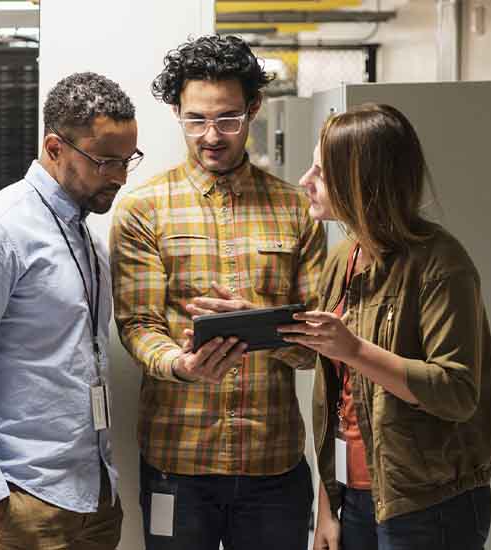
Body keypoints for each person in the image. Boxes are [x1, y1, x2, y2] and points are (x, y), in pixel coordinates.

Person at [109, 35, 327, 550]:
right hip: (177, 462)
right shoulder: (143, 208)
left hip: (272, 464)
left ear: (254, 108)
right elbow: (138, 324)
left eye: (228, 119)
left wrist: (269, 326)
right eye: (196, 120)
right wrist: (178, 364)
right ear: (176, 111)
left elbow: (321, 337)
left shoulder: (296, 208)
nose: (211, 136)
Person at [0, 72, 141, 549]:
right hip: (25, 499)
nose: (120, 176)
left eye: (127, 160)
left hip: (94, 496)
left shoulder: (87, 238)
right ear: (55, 148)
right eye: (105, 161)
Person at [281, 103, 491, 550]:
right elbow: (340, 400)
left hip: (429, 504)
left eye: (321, 172)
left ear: (360, 181)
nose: (305, 180)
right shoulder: (343, 257)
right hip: (357, 499)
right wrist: (328, 506)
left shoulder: (441, 263)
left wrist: (355, 350)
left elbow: (456, 392)